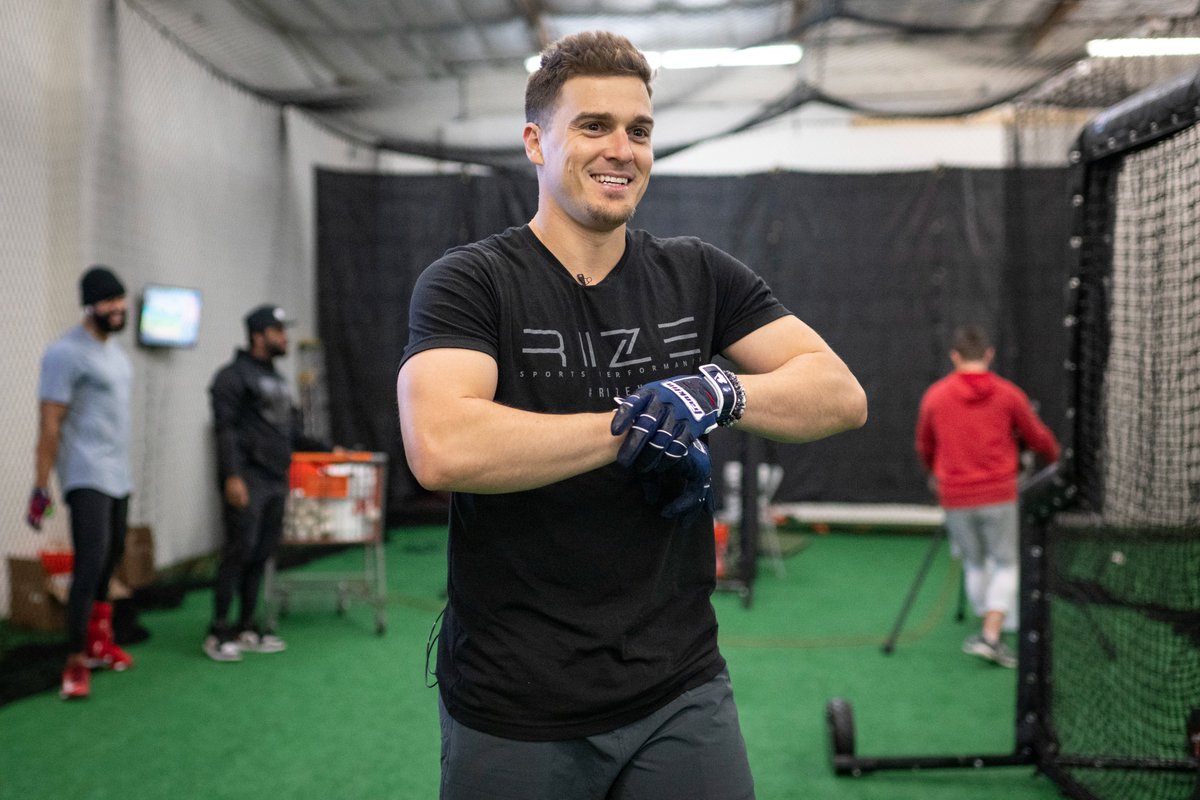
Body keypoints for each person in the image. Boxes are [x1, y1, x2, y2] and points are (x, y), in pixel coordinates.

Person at [396, 31, 868, 799]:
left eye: (639, 131)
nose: (622, 149)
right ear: (535, 143)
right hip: (516, 701)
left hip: (678, 689)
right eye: (593, 126)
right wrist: (637, 424)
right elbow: (443, 445)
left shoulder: (699, 274)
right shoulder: (471, 283)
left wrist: (718, 394)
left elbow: (840, 393)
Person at [915, 324, 1060, 668]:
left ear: (955, 356)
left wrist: (934, 474)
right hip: (998, 493)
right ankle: (992, 634)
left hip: (955, 495)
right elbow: (1038, 437)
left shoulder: (935, 396)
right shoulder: (1009, 394)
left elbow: (925, 445)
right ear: (989, 354)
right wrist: (1057, 463)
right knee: (1006, 562)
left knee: (975, 562)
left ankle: (987, 622)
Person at [29, 265, 135, 700]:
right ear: (90, 306)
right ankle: (74, 662)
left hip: (118, 473)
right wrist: (40, 486)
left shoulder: (116, 354)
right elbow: (50, 423)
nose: (117, 308)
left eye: (120, 300)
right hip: (85, 473)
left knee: (111, 559)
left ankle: (99, 644)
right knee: (89, 564)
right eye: (109, 301)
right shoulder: (64, 354)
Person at [204, 304, 329, 662]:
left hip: (276, 480)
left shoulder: (275, 379)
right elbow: (224, 431)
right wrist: (232, 476)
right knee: (238, 551)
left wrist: (327, 448)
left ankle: (245, 627)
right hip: (247, 481)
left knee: (261, 554)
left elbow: (291, 432)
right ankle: (217, 631)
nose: (284, 337)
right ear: (259, 336)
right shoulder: (230, 377)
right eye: (277, 331)